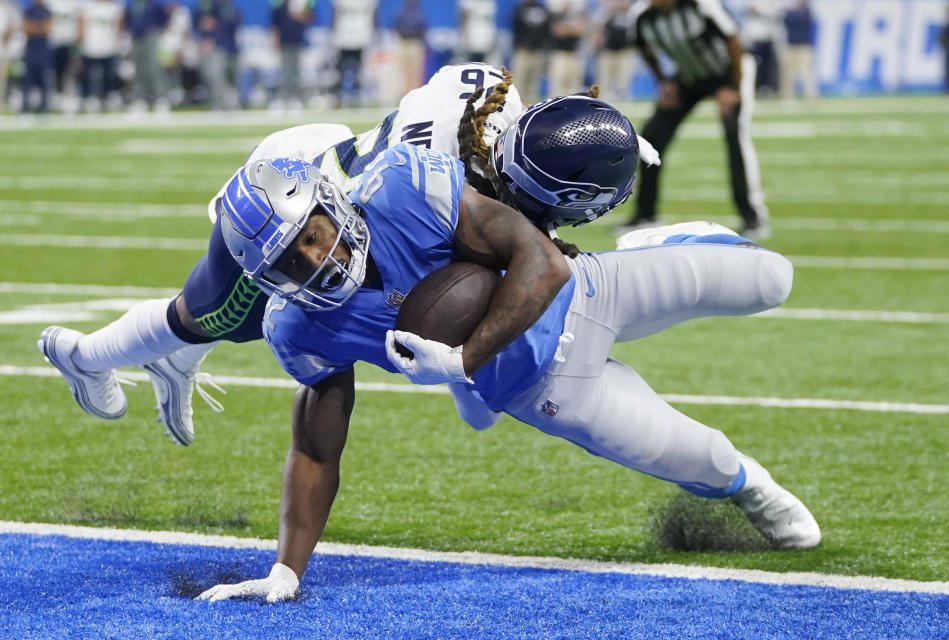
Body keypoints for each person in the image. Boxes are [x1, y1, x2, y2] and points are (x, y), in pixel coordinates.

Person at [194, 136, 820, 602]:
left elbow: (542, 262)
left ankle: (659, 243)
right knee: (708, 462)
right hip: (547, 389)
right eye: (289, 262)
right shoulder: (297, 325)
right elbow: (315, 448)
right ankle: (751, 488)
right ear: (268, 280)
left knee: (773, 278)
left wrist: (463, 358)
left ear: (328, 201)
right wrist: (286, 568)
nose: (315, 258)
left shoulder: (402, 190)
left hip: (585, 289)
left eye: (310, 234)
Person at [37, 63, 659, 446]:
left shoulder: (500, 151)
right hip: (294, 207)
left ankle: (176, 363)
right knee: (217, 315)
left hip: (348, 229)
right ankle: (83, 355)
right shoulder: (432, 162)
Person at [620, 0, 770, 239]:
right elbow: (642, 47)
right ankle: (646, 213)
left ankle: (752, 216)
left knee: (735, 135)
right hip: (689, 75)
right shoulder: (642, 16)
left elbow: (733, 39)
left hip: (731, 70)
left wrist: (732, 86)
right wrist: (664, 81)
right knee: (652, 136)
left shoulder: (701, 5)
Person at [77, 0, 124, 112]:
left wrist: (118, 42)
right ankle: (88, 98)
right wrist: (81, 40)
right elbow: (81, 24)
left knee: (109, 75)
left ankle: (107, 97)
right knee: (87, 75)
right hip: (90, 46)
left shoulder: (115, 8)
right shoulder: (87, 7)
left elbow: (119, 26)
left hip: (108, 47)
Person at [193, 0, 240, 110]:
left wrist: (214, 40)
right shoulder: (204, 5)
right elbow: (198, 24)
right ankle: (216, 104)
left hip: (223, 47)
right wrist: (202, 40)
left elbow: (229, 26)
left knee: (218, 76)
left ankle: (226, 105)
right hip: (206, 46)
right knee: (209, 76)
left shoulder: (226, 6)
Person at [125, 0, 169, 112]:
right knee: (139, 69)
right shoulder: (132, 4)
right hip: (135, 37)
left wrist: (156, 30)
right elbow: (127, 19)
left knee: (154, 67)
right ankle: (140, 99)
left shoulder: (153, 3)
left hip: (150, 36)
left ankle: (161, 98)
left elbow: (164, 18)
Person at [330, 0, 376, 107]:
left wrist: (372, 34)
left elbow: (373, 17)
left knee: (359, 70)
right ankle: (339, 97)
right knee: (340, 70)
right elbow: (334, 15)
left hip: (360, 37)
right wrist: (333, 34)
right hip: (343, 38)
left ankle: (356, 96)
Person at [269, 0, 314, 109]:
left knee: (295, 71)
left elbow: (310, 18)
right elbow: (274, 24)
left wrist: (300, 14)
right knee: (285, 72)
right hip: (285, 42)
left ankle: (295, 98)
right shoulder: (281, 6)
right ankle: (283, 98)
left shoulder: (301, 5)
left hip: (297, 42)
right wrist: (275, 39)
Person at [510, 0, 551, 103]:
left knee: (534, 84)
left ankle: (531, 110)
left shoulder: (542, 10)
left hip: (536, 52)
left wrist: (541, 44)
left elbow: (546, 29)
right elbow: (516, 28)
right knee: (519, 82)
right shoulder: (520, 9)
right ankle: (518, 109)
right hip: (522, 51)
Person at [595, 0, 634, 102]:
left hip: (624, 50)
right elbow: (597, 27)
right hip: (608, 50)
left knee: (624, 77)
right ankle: (603, 99)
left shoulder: (630, 14)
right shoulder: (606, 13)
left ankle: (622, 96)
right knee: (605, 77)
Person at [547, 0, 586, 96]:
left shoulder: (578, 14)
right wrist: (571, 28)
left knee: (574, 83)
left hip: (574, 53)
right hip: (560, 53)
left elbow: (580, 30)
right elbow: (558, 31)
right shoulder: (556, 15)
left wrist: (567, 28)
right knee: (558, 82)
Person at [780, 0, 817, 100]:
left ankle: (810, 96)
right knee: (787, 74)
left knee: (806, 73)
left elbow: (799, 20)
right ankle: (787, 96)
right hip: (790, 45)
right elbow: (786, 20)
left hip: (803, 46)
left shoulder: (807, 11)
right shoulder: (791, 11)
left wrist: (792, 13)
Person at [21, 0, 53, 113]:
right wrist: (39, 26)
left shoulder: (47, 11)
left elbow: (47, 29)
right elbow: (26, 29)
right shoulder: (28, 10)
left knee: (44, 80)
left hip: (43, 51)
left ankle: (44, 107)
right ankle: (25, 108)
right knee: (27, 81)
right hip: (31, 50)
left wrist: (34, 26)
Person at [392, 0, 426, 97]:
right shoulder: (401, 13)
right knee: (401, 70)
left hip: (414, 43)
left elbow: (423, 29)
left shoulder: (419, 14)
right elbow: (396, 27)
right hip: (403, 43)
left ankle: (414, 93)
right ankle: (401, 93)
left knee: (415, 71)